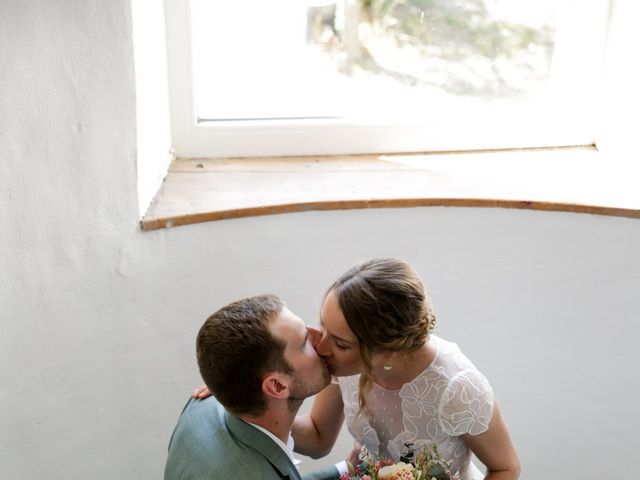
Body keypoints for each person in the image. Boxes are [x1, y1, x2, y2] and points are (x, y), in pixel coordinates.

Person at [193, 259, 520, 479]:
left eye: (340, 343)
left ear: (385, 351)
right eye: (322, 326)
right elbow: (320, 438)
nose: (321, 347)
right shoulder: (342, 366)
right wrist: (243, 397)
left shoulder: (458, 388)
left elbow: (506, 469)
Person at [165, 294, 341, 480]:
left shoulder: (202, 406)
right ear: (277, 386)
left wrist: (349, 468)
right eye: (305, 342)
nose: (320, 338)